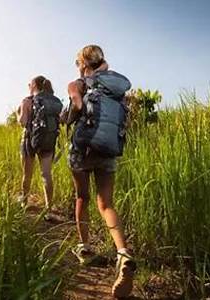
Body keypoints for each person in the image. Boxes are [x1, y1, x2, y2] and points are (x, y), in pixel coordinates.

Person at [66, 45, 136, 298]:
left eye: (78, 64)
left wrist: (69, 115)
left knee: (82, 197)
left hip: (84, 147)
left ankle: (84, 247)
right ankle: (123, 253)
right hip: (109, 148)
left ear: (84, 63)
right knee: (106, 204)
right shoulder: (117, 85)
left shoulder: (79, 82)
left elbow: (75, 105)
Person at [16, 75, 63, 221]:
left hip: (30, 139)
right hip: (48, 140)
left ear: (34, 86)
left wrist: (18, 113)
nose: (28, 86)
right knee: (46, 174)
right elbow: (60, 120)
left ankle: (24, 201)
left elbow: (23, 121)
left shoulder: (28, 101)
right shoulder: (52, 101)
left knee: (27, 174)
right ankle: (49, 208)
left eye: (30, 84)